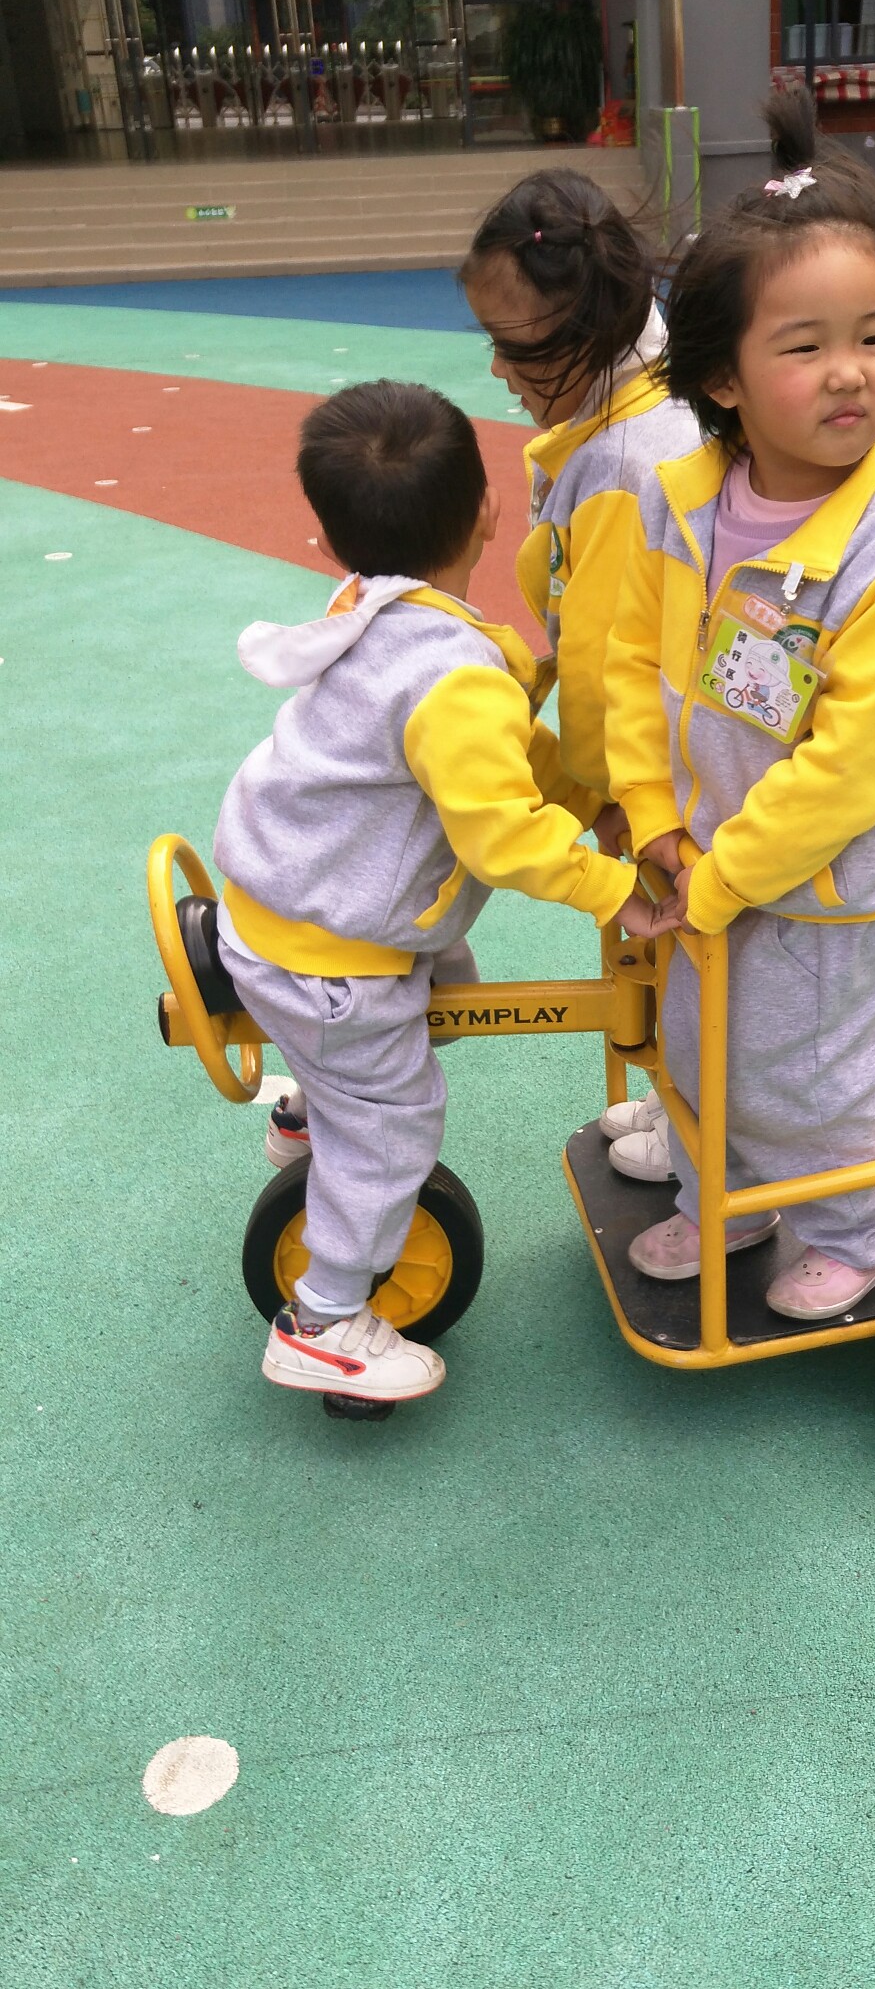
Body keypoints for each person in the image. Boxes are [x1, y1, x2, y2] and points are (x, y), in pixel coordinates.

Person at [214, 380, 660, 1404]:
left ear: (333, 542)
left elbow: (510, 754)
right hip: (330, 957)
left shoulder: (378, 613)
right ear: (490, 511)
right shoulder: (450, 677)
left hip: (285, 906)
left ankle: (314, 1109)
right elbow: (501, 834)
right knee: (396, 1122)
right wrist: (613, 888)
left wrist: (591, 799)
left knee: (438, 994)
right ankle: (324, 1322)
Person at [603, 88, 875, 1322]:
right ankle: (734, 1198)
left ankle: (861, 1231)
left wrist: (721, 878)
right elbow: (637, 668)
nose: (850, 373)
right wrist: (658, 816)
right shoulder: (685, 499)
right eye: (805, 347)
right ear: (722, 375)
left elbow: (851, 771)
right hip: (712, 848)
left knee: (804, 1066)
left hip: (828, 883)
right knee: (701, 1039)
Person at [461, 167, 699, 1186]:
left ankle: (708, 1147)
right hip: (669, 758)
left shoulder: (625, 464)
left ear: (589, 332)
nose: (500, 370)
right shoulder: (623, 416)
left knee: (688, 947)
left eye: (516, 349)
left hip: (666, 775)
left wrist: (605, 799)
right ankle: (682, 1101)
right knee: (670, 951)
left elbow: (607, 662)